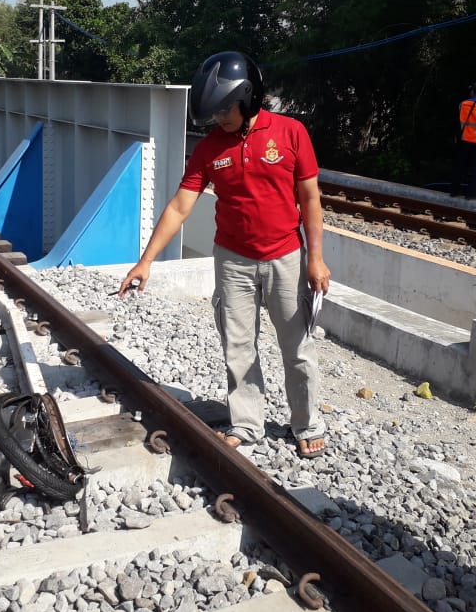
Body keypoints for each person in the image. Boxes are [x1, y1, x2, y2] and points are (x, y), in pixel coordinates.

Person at [117, 51, 331, 459]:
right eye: (213, 113)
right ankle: (247, 424)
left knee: (298, 347)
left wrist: (316, 258)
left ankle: (307, 422)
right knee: (237, 346)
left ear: (249, 98)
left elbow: (310, 198)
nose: (219, 119)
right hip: (232, 260)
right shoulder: (209, 149)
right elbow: (181, 205)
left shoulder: (290, 132)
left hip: (286, 256)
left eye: (224, 110)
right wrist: (146, 261)